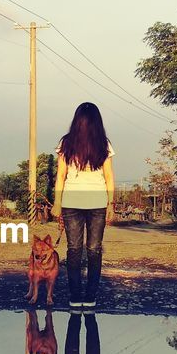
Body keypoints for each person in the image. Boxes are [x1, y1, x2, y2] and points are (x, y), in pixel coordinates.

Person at [51, 102, 115, 309]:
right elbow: (61, 175)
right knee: (83, 250)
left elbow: (108, 176)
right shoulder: (67, 144)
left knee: (86, 250)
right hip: (76, 203)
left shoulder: (103, 144)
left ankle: (87, 296)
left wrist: (111, 204)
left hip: (94, 203)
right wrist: (58, 204)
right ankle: (79, 296)